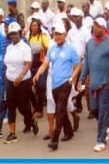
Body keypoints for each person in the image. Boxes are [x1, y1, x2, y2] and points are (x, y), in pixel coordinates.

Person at [33, 21, 80, 150]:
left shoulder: (70, 48)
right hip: (54, 85)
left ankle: (55, 140)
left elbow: (78, 65)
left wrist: (72, 78)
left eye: (60, 34)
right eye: (56, 34)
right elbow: (45, 63)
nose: (58, 36)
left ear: (65, 35)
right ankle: (69, 131)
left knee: (59, 111)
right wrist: (38, 74)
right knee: (62, 109)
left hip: (66, 83)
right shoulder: (52, 48)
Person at [77, 17, 109, 152]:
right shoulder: (89, 44)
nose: (96, 28)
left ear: (104, 28)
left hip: (106, 85)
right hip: (93, 84)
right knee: (94, 110)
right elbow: (87, 63)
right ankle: (107, 123)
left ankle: (101, 140)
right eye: (94, 25)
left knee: (103, 113)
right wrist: (81, 80)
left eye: (99, 26)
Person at [3, 22, 39, 144]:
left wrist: (20, 76)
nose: (13, 36)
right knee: (11, 106)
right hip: (10, 80)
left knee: (23, 107)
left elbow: (28, 63)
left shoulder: (25, 47)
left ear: (19, 33)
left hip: (23, 81)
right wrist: (9, 77)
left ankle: (31, 119)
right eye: (11, 34)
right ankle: (12, 134)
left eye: (15, 34)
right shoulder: (9, 47)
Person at [27, 19, 50, 119]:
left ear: (39, 27)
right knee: (28, 87)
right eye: (32, 25)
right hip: (31, 66)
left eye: (36, 25)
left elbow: (49, 48)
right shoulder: (28, 37)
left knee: (41, 87)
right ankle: (35, 106)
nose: (34, 27)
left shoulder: (43, 37)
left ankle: (40, 110)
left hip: (41, 65)